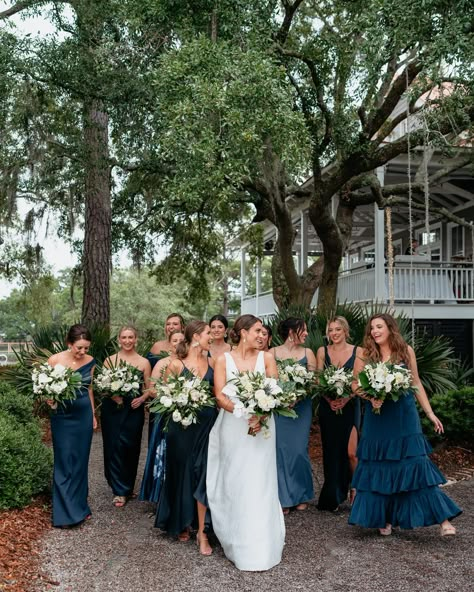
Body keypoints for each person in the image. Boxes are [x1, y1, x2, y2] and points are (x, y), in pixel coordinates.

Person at [349, 313, 461, 536]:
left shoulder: (405, 351)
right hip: (378, 417)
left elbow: (416, 382)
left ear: (390, 328)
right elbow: (354, 385)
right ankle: (385, 518)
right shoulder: (365, 354)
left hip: (404, 416)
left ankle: (443, 520)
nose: (375, 331)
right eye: (372, 328)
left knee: (415, 464)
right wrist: (370, 397)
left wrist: (430, 413)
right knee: (379, 466)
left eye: (379, 327)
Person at [207, 315, 285, 571]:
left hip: (262, 427)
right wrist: (244, 412)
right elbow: (219, 396)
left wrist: (260, 413)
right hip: (233, 425)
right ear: (242, 332)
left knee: (260, 479)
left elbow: (275, 391)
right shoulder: (223, 360)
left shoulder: (268, 358)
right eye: (257, 331)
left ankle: (262, 544)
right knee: (236, 478)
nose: (262, 336)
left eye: (263, 332)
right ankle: (235, 539)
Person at [154, 321, 217, 556]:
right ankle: (180, 521)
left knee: (202, 471)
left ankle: (203, 529)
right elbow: (163, 397)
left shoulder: (212, 363)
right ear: (196, 337)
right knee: (182, 471)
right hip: (181, 428)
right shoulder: (175, 365)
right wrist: (183, 402)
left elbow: (217, 394)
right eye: (208, 333)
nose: (212, 336)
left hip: (207, 427)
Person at [47, 324, 96, 527]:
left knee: (80, 461)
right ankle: (64, 514)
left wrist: (93, 414)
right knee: (64, 460)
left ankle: (79, 507)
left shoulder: (91, 361)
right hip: (62, 415)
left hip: (83, 415)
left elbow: (90, 388)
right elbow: (44, 386)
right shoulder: (55, 360)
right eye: (79, 348)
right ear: (69, 344)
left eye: (86, 348)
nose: (83, 352)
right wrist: (48, 399)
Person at [101, 326, 151, 508]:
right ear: (119, 339)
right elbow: (103, 385)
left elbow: (150, 388)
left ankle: (127, 486)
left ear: (136, 339)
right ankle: (118, 490)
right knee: (113, 446)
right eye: (124, 337)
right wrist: (113, 395)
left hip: (133, 409)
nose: (128, 340)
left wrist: (142, 398)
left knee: (131, 447)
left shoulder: (144, 362)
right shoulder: (110, 360)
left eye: (131, 337)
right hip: (112, 409)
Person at [316, 316, 362, 511]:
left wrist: (345, 399)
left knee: (352, 453)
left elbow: (358, 381)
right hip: (328, 406)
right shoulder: (322, 351)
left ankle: (357, 489)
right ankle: (332, 496)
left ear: (345, 331)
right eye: (331, 330)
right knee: (331, 451)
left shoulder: (358, 351)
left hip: (351, 405)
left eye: (337, 330)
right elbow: (318, 379)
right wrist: (330, 399)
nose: (334, 333)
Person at [272, 318, 316, 513]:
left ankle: (302, 493)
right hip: (280, 408)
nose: (306, 333)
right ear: (291, 332)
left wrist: (298, 395)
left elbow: (314, 382)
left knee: (299, 449)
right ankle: (283, 497)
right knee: (280, 450)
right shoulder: (271, 353)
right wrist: (283, 396)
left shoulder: (308, 353)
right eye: (303, 330)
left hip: (301, 408)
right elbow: (268, 380)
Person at [139, 330, 184, 503]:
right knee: (163, 450)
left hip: (185, 412)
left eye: (181, 339)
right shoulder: (162, 363)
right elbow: (151, 389)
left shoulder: (189, 362)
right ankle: (159, 493)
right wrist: (170, 398)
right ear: (170, 343)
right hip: (165, 412)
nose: (178, 342)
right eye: (175, 340)